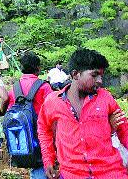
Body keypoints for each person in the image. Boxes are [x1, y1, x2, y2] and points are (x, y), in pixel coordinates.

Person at [38, 48, 128, 179]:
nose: (100, 81)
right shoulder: (53, 102)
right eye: (94, 75)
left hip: (110, 173)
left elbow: (124, 130)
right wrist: (48, 160)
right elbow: (43, 130)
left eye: (101, 76)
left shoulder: (106, 98)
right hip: (71, 174)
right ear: (75, 74)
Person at [6, 52, 52, 178]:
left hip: (22, 137)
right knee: (42, 166)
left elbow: (10, 110)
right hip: (41, 134)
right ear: (38, 68)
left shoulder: (14, 88)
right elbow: (53, 111)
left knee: (34, 167)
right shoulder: (44, 86)